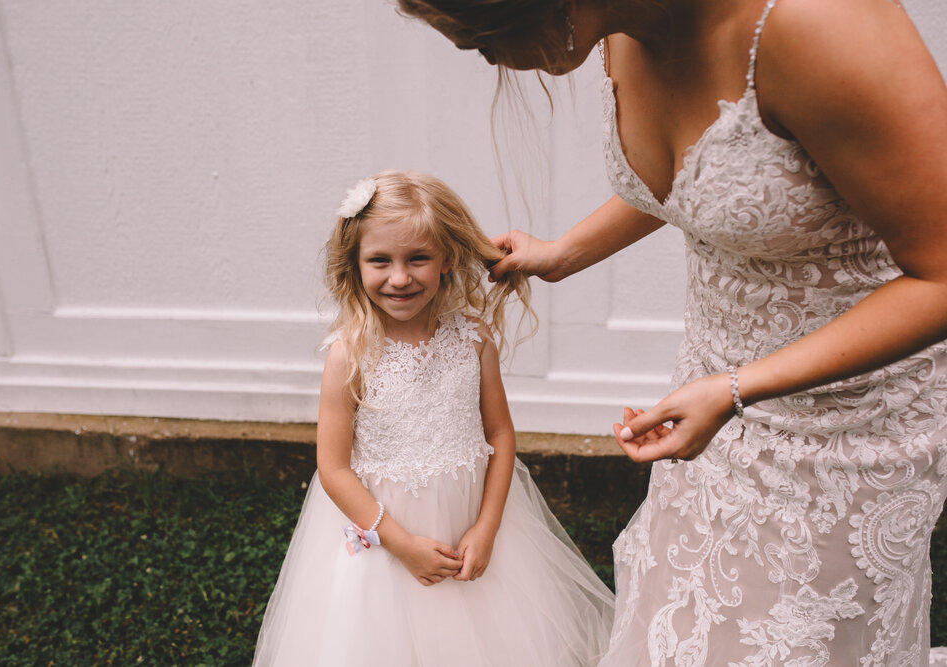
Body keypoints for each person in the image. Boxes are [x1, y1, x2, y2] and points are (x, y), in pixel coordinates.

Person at [395, 0, 947, 664]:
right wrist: (566, 252)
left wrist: (738, 388)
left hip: (845, 428)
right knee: (684, 619)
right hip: (711, 397)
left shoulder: (817, 26)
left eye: (481, 34)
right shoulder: (622, 23)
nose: (475, 53)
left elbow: (941, 275)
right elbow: (708, 174)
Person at [252, 170, 616, 666]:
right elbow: (334, 469)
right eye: (380, 260)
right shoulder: (350, 355)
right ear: (355, 265)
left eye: (417, 258)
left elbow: (500, 433)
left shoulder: (472, 339)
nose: (399, 277)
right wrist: (402, 545)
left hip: (470, 522)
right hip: (387, 534)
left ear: (446, 259)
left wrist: (486, 528)